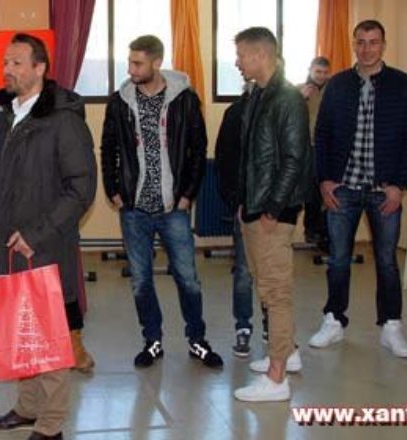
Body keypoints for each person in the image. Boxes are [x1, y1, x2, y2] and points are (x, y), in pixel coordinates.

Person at [0, 33, 96, 440]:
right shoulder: (5, 114)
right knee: (20, 333)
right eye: (5, 62)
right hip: (6, 244)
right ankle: (27, 408)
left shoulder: (63, 120)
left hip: (41, 246)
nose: (7, 70)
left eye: (17, 62)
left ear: (40, 68)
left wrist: (37, 233)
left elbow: (81, 188)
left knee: (47, 338)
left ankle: (51, 425)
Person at [100, 35, 222, 369]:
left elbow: (198, 148)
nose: (131, 69)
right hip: (134, 209)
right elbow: (108, 147)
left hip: (173, 209)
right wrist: (113, 189)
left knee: (188, 278)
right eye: (130, 62)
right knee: (141, 281)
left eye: (137, 63)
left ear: (156, 63)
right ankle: (152, 342)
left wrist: (187, 195)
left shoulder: (184, 99)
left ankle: (197, 341)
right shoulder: (120, 101)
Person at [310, 20, 407, 358]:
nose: (367, 48)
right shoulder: (338, 85)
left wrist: (399, 186)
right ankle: (333, 320)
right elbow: (322, 135)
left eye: (373, 42)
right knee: (338, 259)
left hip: (383, 191)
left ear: (383, 45)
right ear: (353, 44)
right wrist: (325, 179)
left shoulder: (403, 85)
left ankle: (391, 326)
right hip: (342, 187)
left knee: (387, 261)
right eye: (360, 42)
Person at [232, 27, 312, 402]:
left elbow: (294, 159)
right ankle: (287, 353)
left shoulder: (288, 98)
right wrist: (246, 202)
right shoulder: (258, 95)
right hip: (256, 207)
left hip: (273, 213)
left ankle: (277, 379)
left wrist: (273, 209)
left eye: (241, 55)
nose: (237, 62)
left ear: (261, 55)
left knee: (276, 293)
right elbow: (253, 157)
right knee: (265, 285)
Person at [214, 85, 271, 357]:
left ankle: (273, 324)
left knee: (273, 272)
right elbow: (224, 161)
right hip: (244, 205)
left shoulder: (283, 109)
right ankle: (243, 326)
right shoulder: (235, 113)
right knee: (244, 271)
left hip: (276, 207)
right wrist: (235, 200)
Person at [299, 56, 332, 249]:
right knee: (310, 192)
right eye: (318, 72)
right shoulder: (298, 90)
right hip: (307, 148)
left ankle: (326, 234)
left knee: (328, 192)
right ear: (310, 71)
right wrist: (301, 98)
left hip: (329, 148)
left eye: (325, 72)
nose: (321, 76)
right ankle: (312, 230)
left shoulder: (334, 90)